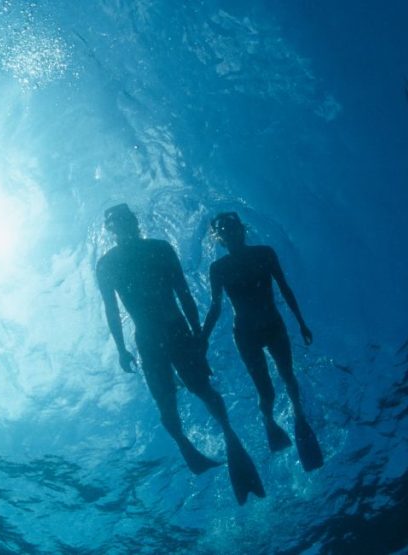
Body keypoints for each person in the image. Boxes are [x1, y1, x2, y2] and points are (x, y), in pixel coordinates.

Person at [96, 204, 264, 504]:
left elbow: (183, 291)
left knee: (198, 389)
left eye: (127, 220)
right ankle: (191, 448)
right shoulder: (112, 263)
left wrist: (198, 334)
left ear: (134, 222)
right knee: (168, 399)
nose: (125, 225)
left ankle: (228, 439)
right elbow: (112, 309)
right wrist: (121, 349)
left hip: (174, 333)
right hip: (155, 337)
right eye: (119, 222)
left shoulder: (154, 250)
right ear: (114, 229)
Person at [202, 212, 323, 472]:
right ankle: (269, 422)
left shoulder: (264, 253)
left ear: (241, 230)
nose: (230, 233)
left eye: (232, 228)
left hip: (273, 326)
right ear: (219, 238)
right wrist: (202, 339)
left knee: (288, 375)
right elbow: (215, 307)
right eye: (224, 231)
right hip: (245, 334)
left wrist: (301, 322)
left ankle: (299, 416)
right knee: (266, 390)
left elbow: (284, 287)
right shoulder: (218, 269)